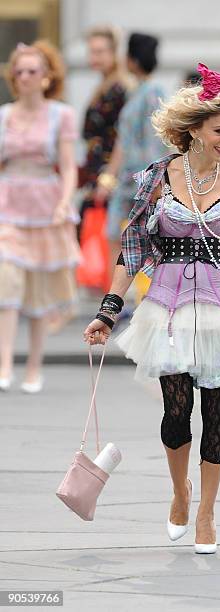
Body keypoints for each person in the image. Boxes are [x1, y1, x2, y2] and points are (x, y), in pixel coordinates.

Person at [84, 63, 220, 554]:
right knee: (176, 409)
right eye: (219, 131)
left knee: (216, 408)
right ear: (193, 130)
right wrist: (108, 312)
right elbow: (131, 249)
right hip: (165, 304)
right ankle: (180, 492)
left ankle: (208, 514)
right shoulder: (154, 178)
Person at [0, 41, 79, 393]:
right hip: (8, 203)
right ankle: (4, 366)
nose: (25, 77)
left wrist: (64, 201)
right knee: (7, 282)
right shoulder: (3, 115)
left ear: (47, 77)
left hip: (45, 204)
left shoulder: (61, 115)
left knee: (37, 293)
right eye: (19, 71)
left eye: (32, 71)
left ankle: (33, 367)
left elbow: (67, 165)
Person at [94, 32, 167, 283]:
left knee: (140, 235)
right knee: (116, 232)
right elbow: (124, 141)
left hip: (143, 175)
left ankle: (135, 295)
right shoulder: (139, 90)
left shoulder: (151, 91)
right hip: (129, 175)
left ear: (133, 59)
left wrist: (157, 177)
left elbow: (154, 138)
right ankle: (120, 295)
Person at [79, 26, 130, 240]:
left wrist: (108, 177)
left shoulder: (121, 88)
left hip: (111, 179)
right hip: (96, 174)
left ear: (114, 52)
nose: (94, 57)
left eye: (100, 51)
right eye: (91, 51)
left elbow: (124, 137)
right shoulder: (103, 87)